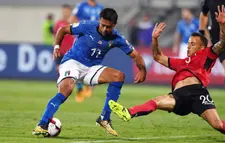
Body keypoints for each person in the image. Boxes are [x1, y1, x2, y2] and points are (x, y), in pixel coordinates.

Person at [108, 6, 225, 142]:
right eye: (188, 43)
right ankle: (128, 112)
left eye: (192, 44)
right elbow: (158, 56)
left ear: (202, 46)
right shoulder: (181, 62)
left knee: (218, 125)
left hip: (198, 94)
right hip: (179, 96)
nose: (188, 46)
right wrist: (154, 39)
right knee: (157, 101)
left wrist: (222, 24)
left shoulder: (208, 54)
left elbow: (223, 42)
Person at [32, 8, 146, 137]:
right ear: (99, 21)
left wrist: (143, 70)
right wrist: (57, 46)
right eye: (102, 25)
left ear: (114, 25)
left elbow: (136, 55)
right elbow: (62, 30)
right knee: (66, 90)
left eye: (108, 27)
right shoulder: (87, 26)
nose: (104, 29)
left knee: (119, 76)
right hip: (73, 62)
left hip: (91, 69)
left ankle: (104, 118)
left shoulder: (117, 38)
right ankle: (42, 124)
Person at [70, 0, 104, 102]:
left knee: (92, 63)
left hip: (95, 39)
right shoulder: (81, 6)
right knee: (78, 62)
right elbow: (73, 18)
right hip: (82, 38)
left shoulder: (100, 8)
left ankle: (88, 85)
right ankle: (80, 89)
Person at [54, 4, 74, 77]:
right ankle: (61, 86)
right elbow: (55, 37)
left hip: (71, 51)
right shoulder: (59, 23)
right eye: (64, 11)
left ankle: (79, 87)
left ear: (70, 12)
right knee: (59, 69)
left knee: (70, 71)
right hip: (61, 51)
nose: (65, 13)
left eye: (66, 11)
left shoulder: (74, 23)